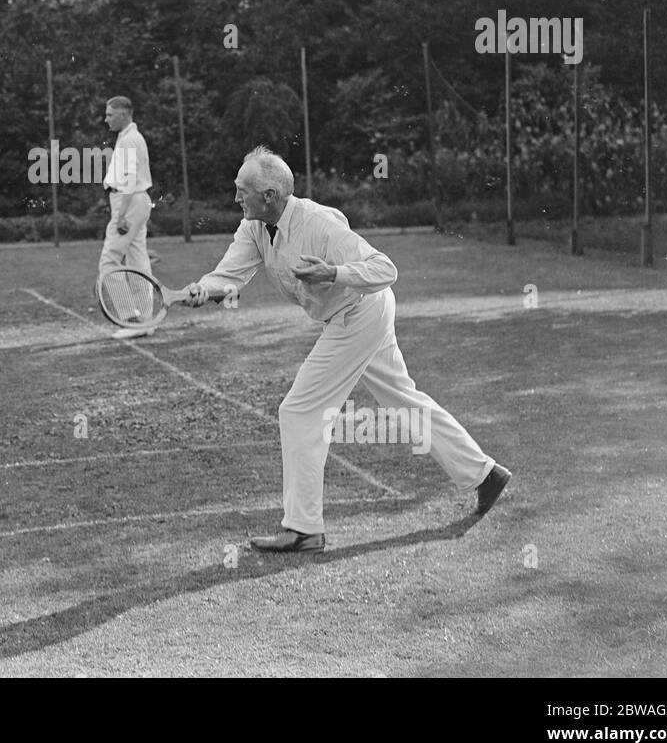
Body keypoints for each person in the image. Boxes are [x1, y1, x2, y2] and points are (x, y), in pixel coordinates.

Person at [183, 146, 510, 552]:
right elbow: (228, 275)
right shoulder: (253, 228)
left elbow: (384, 269)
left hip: (360, 313)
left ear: (270, 195)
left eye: (242, 191)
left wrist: (332, 272)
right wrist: (203, 289)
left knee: (298, 410)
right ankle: (485, 474)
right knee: (403, 399)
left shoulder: (318, 223)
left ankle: (303, 529)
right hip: (352, 315)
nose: (235, 199)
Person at [97, 96, 154, 338]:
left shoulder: (130, 139)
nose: (106, 119)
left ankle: (132, 320)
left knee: (109, 263)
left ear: (124, 114)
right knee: (138, 261)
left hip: (129, 203)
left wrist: (120, 216)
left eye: (110, 114)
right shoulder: (128, 136)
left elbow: (130, 180)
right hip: (135, 201)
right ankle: (146, 321)